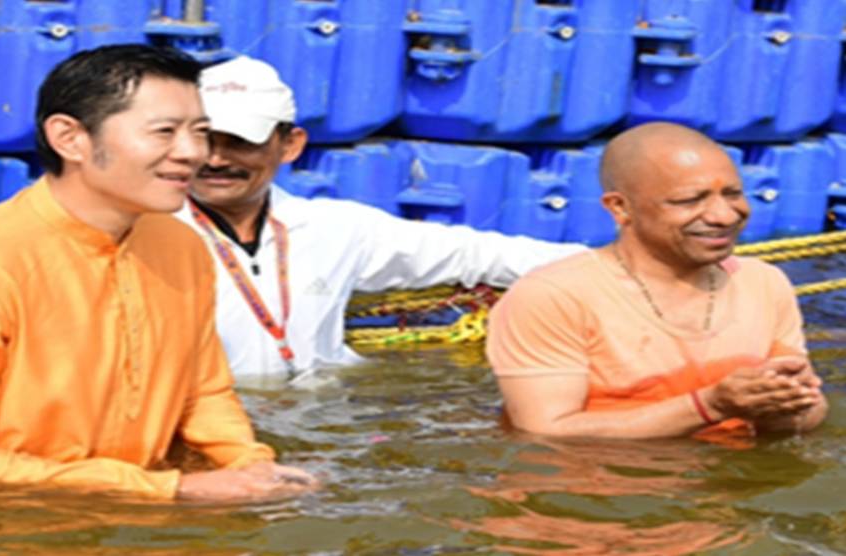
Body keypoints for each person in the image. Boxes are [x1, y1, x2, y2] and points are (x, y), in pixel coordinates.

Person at [0, 44, 316, 501]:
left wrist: (249, 462)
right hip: (13, 525)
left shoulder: (180, 246)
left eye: (200, 132)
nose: (194, 153)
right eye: (164, 132)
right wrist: (175, 488)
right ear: (70, 139)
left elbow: (202, 393)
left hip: (143, 515)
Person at [176, 56, 586, 381]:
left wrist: (620, 268)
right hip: (215, 417)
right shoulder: (148, 232)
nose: (216, 159)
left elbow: (477, 254)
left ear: (290, 145)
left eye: (241, 143)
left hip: (318, 415)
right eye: (204, 140)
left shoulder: (336, 229)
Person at [486, 122, 827, 438]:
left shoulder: (764, 283)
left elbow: (806, 412)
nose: (724, 215)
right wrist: (711, 405)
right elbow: (544, 432)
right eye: (690, 200)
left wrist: (781, 407)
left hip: (726, 491)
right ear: (620, 208)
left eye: (734, 194)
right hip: (602, 490)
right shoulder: (554, 295)